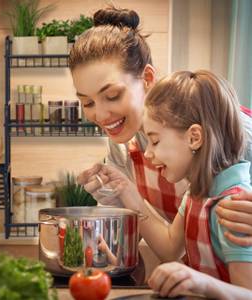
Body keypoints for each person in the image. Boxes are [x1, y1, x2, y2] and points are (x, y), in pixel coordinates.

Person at [69, 7, 252, 246]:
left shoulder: (234, 129)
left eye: (112, 95)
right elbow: (155, 246)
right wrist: (114, 202)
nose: (100, 115)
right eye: (88, 102)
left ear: (147, 79)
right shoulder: (122, 149)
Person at [83, 70, 252, 299]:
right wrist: (124, 188)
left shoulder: (233, 207)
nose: (149, 153)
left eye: (155, 140)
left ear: (194, 138)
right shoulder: (197, 192)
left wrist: (201, 283)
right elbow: (170, 248)